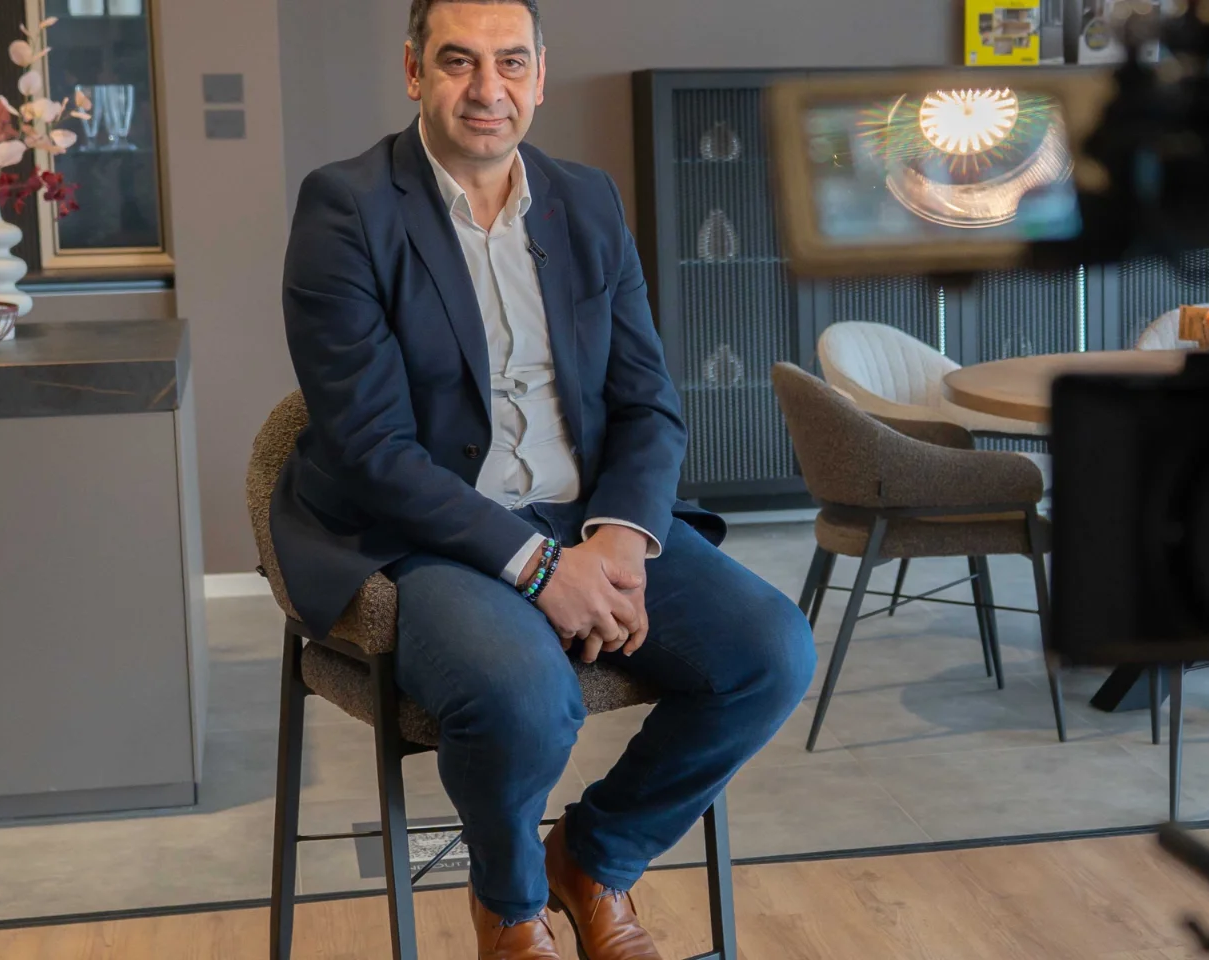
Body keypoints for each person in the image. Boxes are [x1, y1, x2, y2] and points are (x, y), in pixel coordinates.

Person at [269, 0, 815, 956]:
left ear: (540, 74)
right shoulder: (345, 207)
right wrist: (535, 566)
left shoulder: (587, 201)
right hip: (426, 528)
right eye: (458, 63)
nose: (489, 90)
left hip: (585, 509)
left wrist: (620, 537)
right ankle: (512, 908)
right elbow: (371, 449)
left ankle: (595, 859)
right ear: (412, 72)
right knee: (528, 698)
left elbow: (649, 403)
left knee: (771, 651)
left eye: (510, 62)